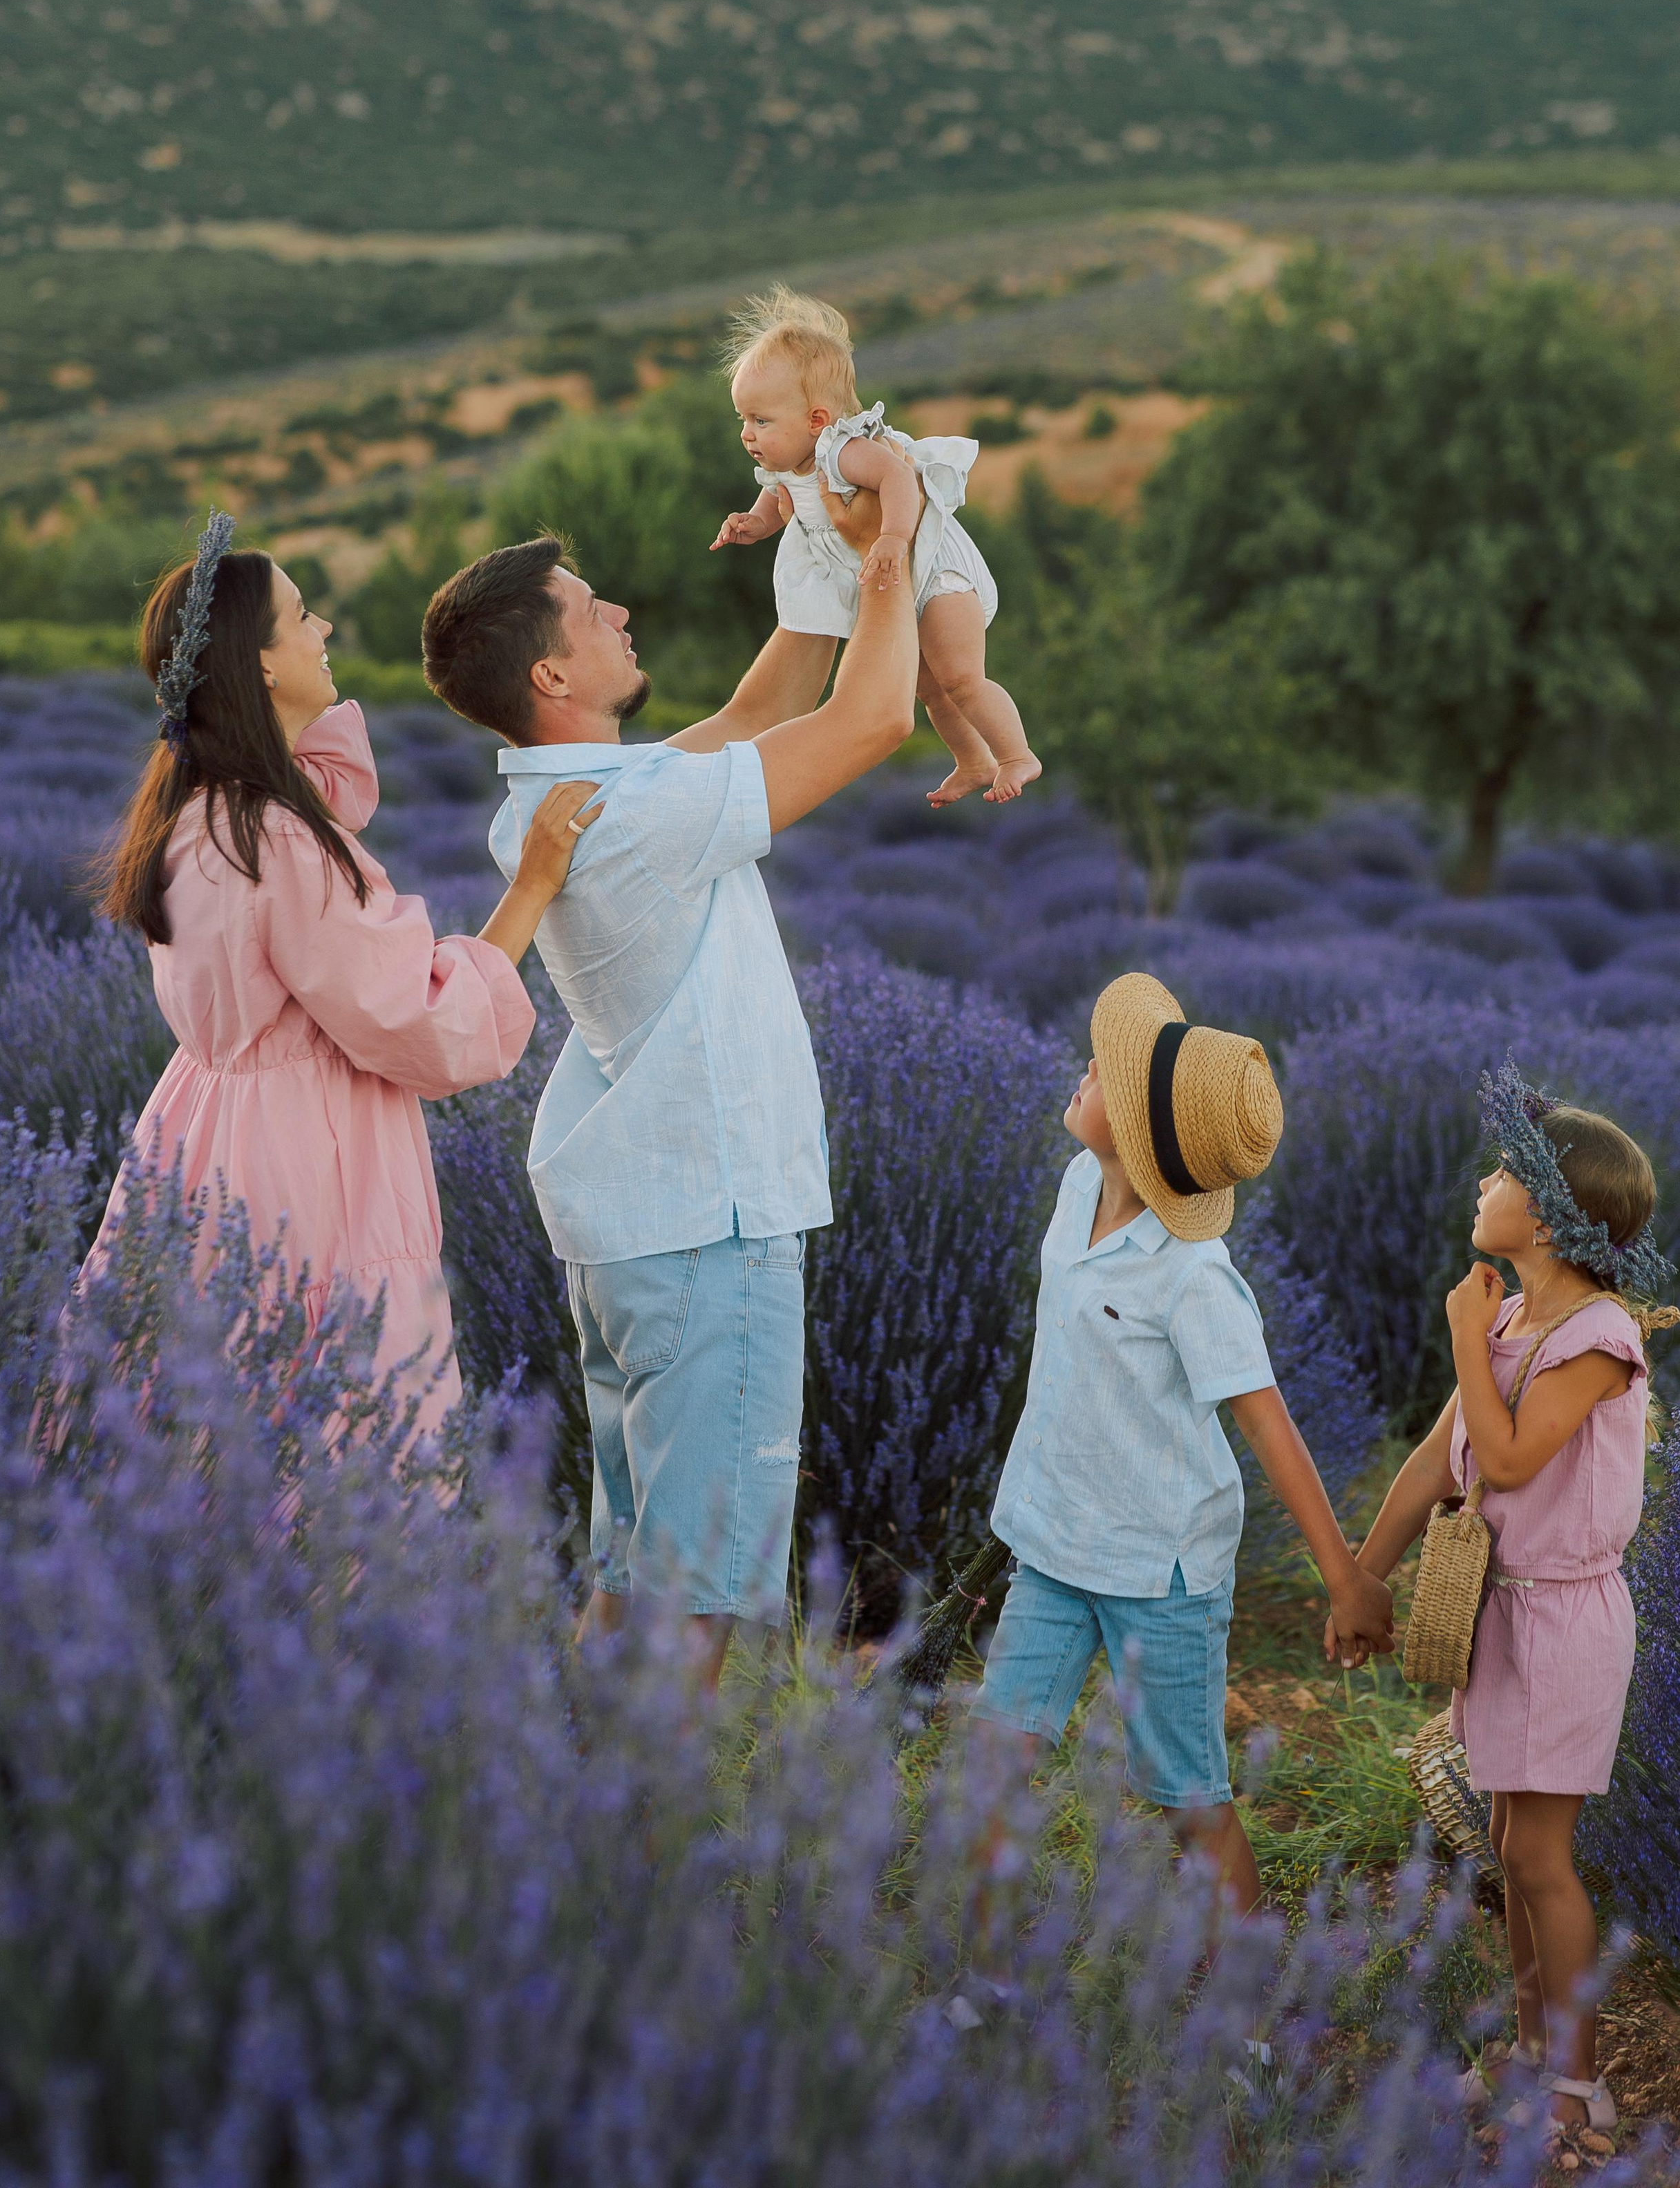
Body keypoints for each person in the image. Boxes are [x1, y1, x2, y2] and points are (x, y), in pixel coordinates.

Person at [420, 529, 917, 1679]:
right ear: (550, 676)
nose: (621, 615)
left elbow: (761, 704)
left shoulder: (564, 803)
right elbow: (874, 720)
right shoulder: (641, 813)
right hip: (710, 1227)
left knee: (631, 1568)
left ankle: (574, 1803)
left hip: (640, 1238)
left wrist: (812, 524)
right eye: (592, 612)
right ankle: (637, 1849)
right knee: (696, 1600)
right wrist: (893, 550)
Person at [91, 511, 598, 1442]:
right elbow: (416, 1017)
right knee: (336, 1419)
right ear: (263, 666)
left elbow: (322, 808)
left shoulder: (198, 812)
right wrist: (532, 884)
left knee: (211, 1413)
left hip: (200, 1136)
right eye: (303, 616)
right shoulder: (275, 840)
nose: (323, 630)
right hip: (307, 1153)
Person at [970, 972, 1396, 1916]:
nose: (1088, 1067)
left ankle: (1243, 2031)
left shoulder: (1195, 1276)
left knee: (1186, 1801)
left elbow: (1266, 1420)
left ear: (1147, 1140)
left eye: (1110, 1075)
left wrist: (1345, 1577)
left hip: (1161, 1571)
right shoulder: (1079, 1179)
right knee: (993, 1767)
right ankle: (981, 2002)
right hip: (1054, 1542)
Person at [1342, 1063, 1676, 2148]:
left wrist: (1459, 1340)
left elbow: (1513, 1459)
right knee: (1503, 1837)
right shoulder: (1516, 1319)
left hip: (1568, 1623)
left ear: (1544, 1211)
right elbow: (1435, 1469)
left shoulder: (1599, 1342)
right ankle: (1533, 2057)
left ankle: (1576, 2088)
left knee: (1541, 1857)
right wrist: (1361, 1578)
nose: (1480, 1182)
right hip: (1503, 1614)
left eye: (1502, 1171)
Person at [710, 285, 1039, 808]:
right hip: (898, 581)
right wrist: (751, 525)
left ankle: (1017, 754)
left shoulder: (842, 451)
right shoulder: (788, 467)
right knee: (929, 687)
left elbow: (900, 480)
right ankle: (973, 760)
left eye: (761, 421)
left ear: (816, 421)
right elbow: (776, 504)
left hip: (934, 570)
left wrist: (890, 537)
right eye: (743, 421)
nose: (748, 435)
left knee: (962, 677)